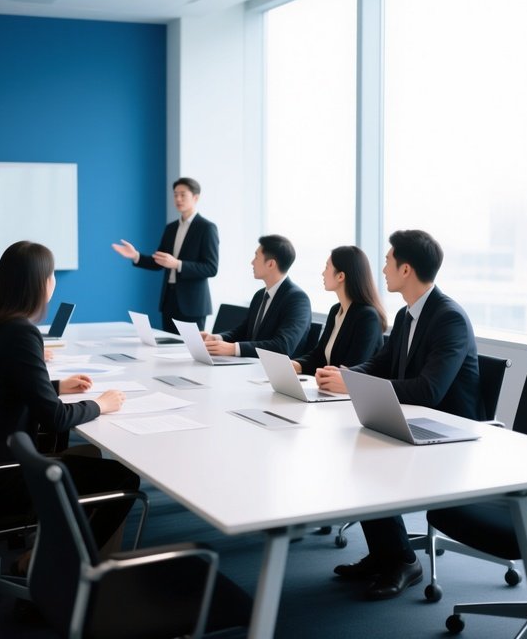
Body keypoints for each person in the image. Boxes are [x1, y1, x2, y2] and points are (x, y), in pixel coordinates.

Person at [318, 229, 481, 601]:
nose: (384, 268)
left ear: (406, 269)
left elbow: (429, 391)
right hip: (414, 419)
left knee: (367, 456)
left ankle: (403, 560)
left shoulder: (448, 318)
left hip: (448, 431)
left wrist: (352, 386)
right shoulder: (409, 315)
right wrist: (348, 375)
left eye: (389, 261)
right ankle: (384, 554)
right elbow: (382, 362)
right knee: (352, 447)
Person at [0, 241, 139, 554]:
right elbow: (55, 418)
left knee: (89, 455)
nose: (54, 282)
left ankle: (48, 552)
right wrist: (101, 404)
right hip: (0, 474)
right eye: (51, 275)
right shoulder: (20, 332)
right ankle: (72, 564)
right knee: (123, 478)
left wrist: (54, 386)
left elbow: (4, 385)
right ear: (39, 283)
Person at [112, 177, 219, 333]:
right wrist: (136, 256)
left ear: (196, 197)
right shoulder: (171, 228)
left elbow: (211, 268)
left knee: (190, 353)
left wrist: (178, 264)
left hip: (193, 305)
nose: (178, 199)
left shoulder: (206, 228)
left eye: (183, 195)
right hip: (169, 301)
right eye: (175, 195)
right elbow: (159, 262)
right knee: (168, 351)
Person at [203, 234, 311, 358]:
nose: (252, 262)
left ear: (271, 264)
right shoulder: (260, 295)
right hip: (251, 365)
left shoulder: (297, 299)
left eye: (256, 257)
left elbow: (282, 346)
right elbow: (244, 331)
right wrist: (216, 338)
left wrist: (233, 348)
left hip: (274, 372)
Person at [291, 245, 386, 374]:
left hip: (349, 391)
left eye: (327, 267)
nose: (323, 273)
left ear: (341, 276)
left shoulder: (368, 317)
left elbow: (354, 367)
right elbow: (319, 356)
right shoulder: (336, 310)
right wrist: (295, 365)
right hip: (330, 388)